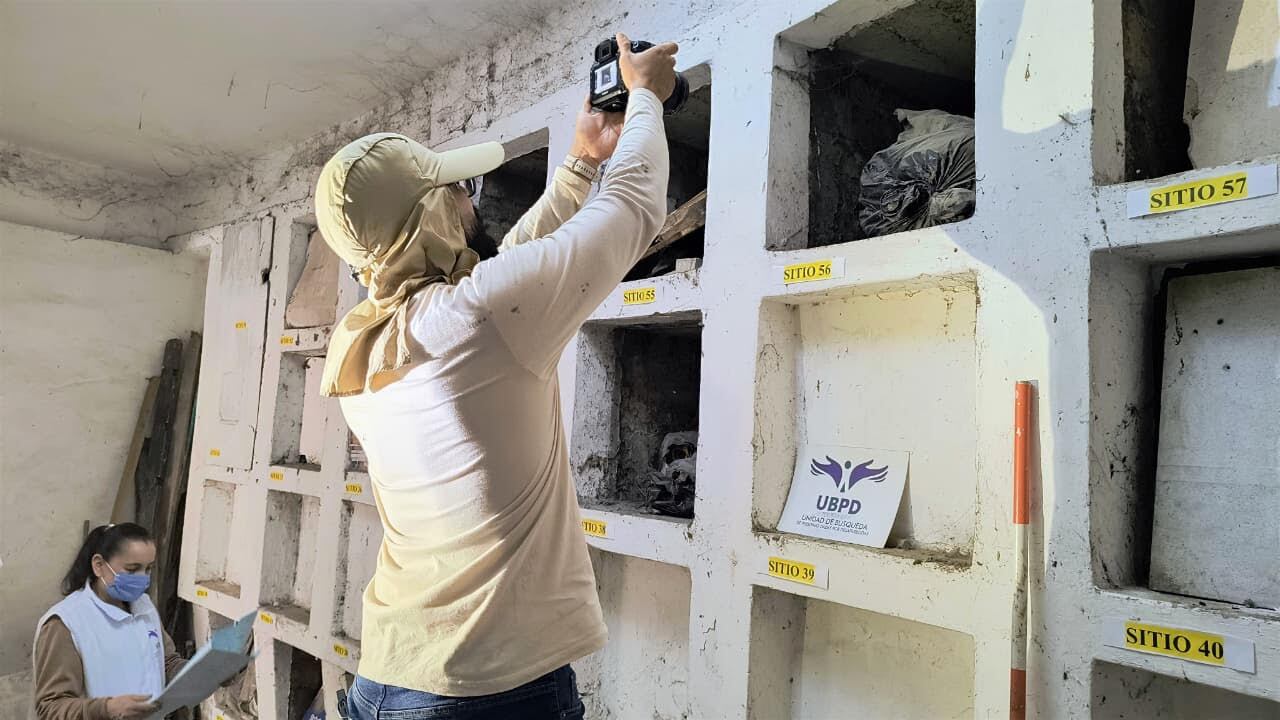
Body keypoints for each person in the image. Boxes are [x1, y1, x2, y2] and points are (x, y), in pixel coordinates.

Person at [312, 32, 678, 720]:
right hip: (487, 693)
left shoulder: (369, 341)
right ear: (430, 213)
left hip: (386, 679)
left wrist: (578, 161)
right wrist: (648, 99)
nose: (468, 203)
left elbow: (507, 272)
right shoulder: (475, 317)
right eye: (456, 190)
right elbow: (631, 208)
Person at [33, 523, 184, 720]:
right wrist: (107, 708)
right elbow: (51, 707)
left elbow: (166, 661)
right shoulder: (66, 623)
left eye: (148, 569)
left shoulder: (144, 606)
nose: (143, 579)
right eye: (132, 569)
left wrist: (202, 672)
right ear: (99, 565)